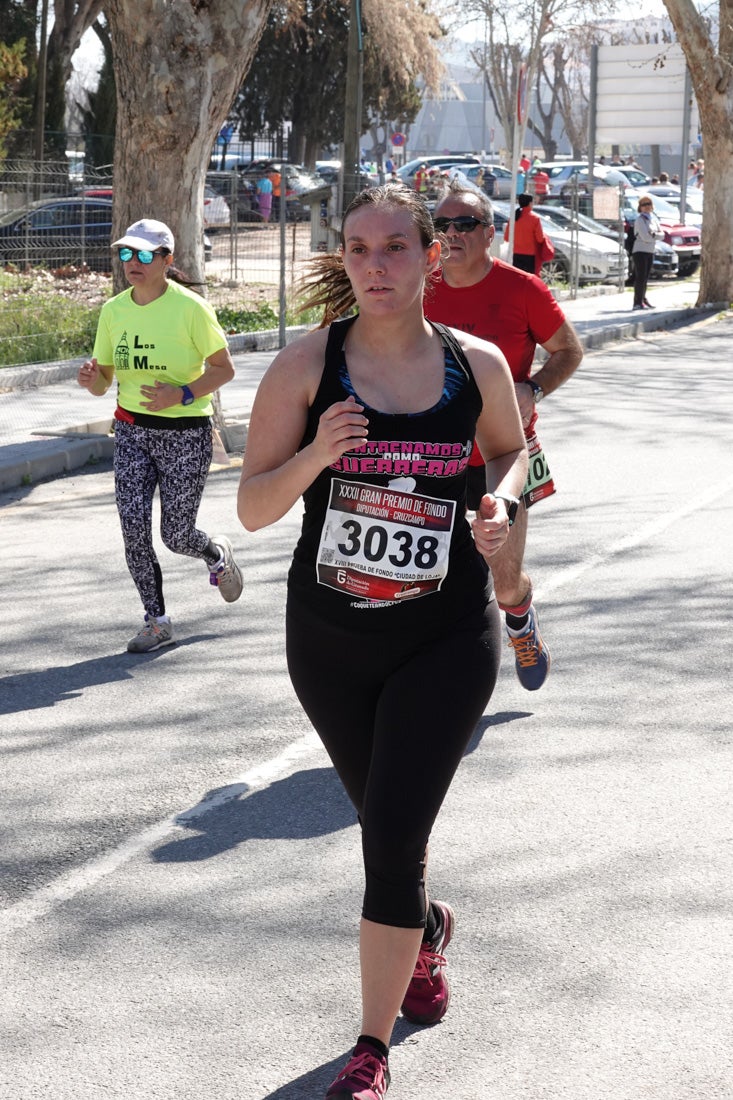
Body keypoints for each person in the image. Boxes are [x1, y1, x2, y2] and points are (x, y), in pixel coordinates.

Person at [237, 185, 527, 1100]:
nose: (375, 265)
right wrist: (317, 455)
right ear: (344, 258)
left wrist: (502, 502)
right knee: (385, 830)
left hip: (445, 634)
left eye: (395, 247)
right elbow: (250, 509)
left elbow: (517, 451)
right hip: (328, 641)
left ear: (428, 258)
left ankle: (370, 1049)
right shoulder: (304, 368)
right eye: (358, 249)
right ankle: (424, 930)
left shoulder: (472, 364)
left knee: (391, 838)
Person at [425, 180, 583, 690]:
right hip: (432, 453)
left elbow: (568, 351)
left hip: (506, 452)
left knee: (505, 576)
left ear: (489, 233)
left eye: (464, 224)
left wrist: (532, 387)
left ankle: (520, 621)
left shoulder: (522, 289)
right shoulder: (415, 289)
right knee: (433, 574)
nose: (452, 234)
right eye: (442, 225)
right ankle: (447, 668)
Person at [77, 218, 243, 653]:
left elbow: (225, 369)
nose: (134, 262)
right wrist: (91, 378)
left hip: (186, 435)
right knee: (133, 528)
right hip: (132, 432)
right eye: (127, 253)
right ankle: (156, 620)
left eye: (146, 255)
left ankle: (215, 554)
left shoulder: (190, 308)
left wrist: (181, 393)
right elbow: (102, 384)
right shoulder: (114, 311)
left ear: (168, 261)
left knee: (176, 535)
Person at [503, 193, 552, 275]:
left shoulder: (514, 218)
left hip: (516, 254)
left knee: (518, 279)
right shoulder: (535, 219)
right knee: (529, 279)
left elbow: (507, 238)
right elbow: (540, 239)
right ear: (530, 203)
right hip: (530, 256)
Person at [631, 195, 664, 311]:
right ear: (640, 207)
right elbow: (645, 237)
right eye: (644, 204)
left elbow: (662, 234)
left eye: (648, 204)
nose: (647, 207)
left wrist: (654, 235)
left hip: (650, 251)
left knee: (645, 277)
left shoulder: (653, 220)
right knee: (640, 277)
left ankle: (643, 299)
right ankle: (637, 302)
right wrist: (654, 235)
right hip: (640, 251)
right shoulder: (640, 220)